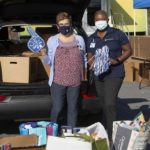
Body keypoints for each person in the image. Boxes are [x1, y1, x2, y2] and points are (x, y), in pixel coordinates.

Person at [87, 10, 133, 140]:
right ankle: (105, 128)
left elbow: (128, 50)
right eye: (97, 20)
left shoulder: (117, 34)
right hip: (99, 75)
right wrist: (92, 61)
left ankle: (112, 136)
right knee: (103, 103)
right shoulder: (91, 38)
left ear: (107, 20)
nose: (99, 22)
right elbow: (90, 53)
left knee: (110, 104)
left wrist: (117, 60)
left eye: (102, 19)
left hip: (115, 73)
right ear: (94, 22)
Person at [42, 12, 87, 128]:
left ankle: (71, 133)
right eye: (61, 24)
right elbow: (47, 61)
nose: (64, 26)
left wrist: (84, 77)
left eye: (66, 24)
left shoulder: (79, 39)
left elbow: (84, 59)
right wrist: (43, 54)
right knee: (57, 108)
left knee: (73, 109)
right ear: (57, 26)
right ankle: (53, 130)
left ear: (70, 24)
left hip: (75, 82)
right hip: (58, 81)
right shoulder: (52, 40)